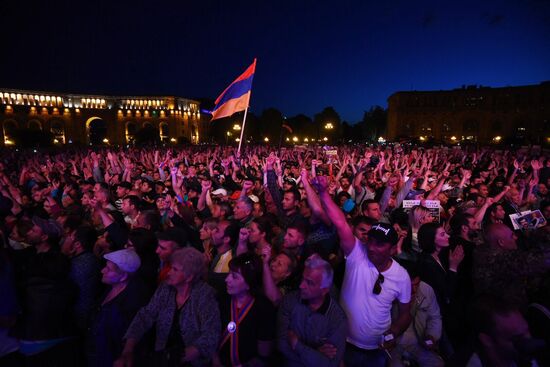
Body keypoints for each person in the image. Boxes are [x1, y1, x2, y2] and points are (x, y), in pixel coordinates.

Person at [317, 174, 412, 367]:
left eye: (380, 244)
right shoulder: (356, 252)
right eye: (371, 240)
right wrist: (323, 193)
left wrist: (394, 331)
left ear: (393, 249)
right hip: (341, 341)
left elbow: (405, 314)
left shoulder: (401, 276)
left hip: (376, 349)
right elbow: (341, 223)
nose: (372, 247)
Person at [117, 247, 220, 367]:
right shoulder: (166, 288)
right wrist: (128, 349)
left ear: (189, 277)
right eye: (171, 267)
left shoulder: (205, 295)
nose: (169, 272)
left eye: (175, 270)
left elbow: (211, 334)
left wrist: (171, 358)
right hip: (162, 354)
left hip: (191, 362)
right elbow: (146, 315)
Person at [277, 254, 348, 367]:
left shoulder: (337, 319)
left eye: (309, 283)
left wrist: (297, 346)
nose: (301, 286)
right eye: (303, 279)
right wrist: (316, 352)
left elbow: (330, 364)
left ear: (324, 290)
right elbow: (281, 345)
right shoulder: (290, 300)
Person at [87, 248, 150, 367]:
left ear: (123, 276)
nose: (102, 271)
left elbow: (130, 336)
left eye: (108, 269)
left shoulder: (132, 302)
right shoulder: (111, 287)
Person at [214, 253, 276, 367]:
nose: (227, 279)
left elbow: (263, 355)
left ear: (249, 283)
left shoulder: (264, 308)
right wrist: (215, 359)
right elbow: (211, 334)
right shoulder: (222, 298)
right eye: (229, 274)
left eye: (234, 276)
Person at [467, 295, 546, 367]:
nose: (529, 339)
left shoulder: (522, 356)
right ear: (487, 340)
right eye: (517, 338)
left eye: (527, 330)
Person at [390, 263, 444, 367]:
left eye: (417, 284)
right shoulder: (390, 291)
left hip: (418, 343)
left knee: (438, 364)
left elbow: (435, 317)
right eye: (411, 285)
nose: (415, 289)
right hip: (395, 344)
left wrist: (432, 336)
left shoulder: (426, 290)